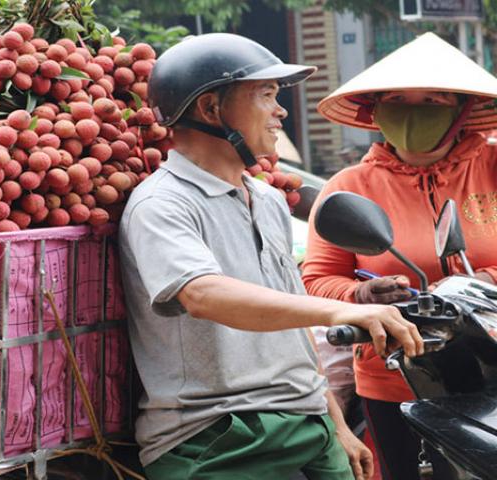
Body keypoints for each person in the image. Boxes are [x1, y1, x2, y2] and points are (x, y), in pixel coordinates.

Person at [118, 33, 423, 480]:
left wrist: (335, 422)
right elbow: (203, 294)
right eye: (265, 95)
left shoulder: (266, 198)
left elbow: (291, 324)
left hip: (309, 424)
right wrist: (341, 308)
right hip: (217, 437)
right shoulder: (161, 204)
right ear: (210, 109)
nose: (280, 110)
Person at [302, 32, 497, 480]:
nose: (414, 109)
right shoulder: (348, 187)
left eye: (434, 98)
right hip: (394, 376)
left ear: (463, 108)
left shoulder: (492, 166)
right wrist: (363, 292)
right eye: (397, 99)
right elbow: (318, 281)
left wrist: (481, 283)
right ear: (376, 110)